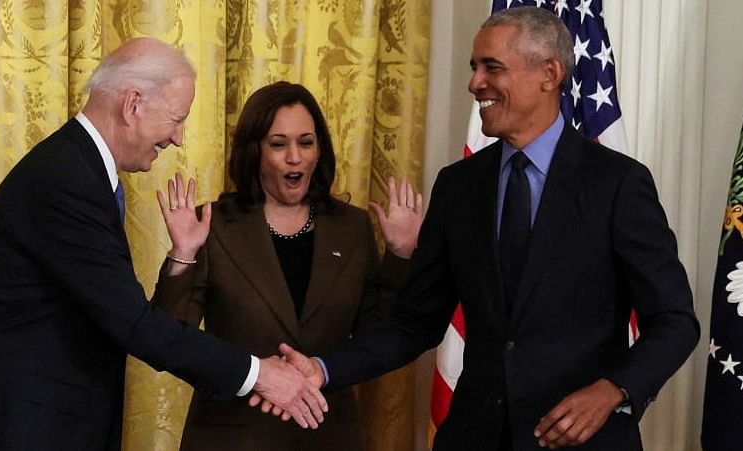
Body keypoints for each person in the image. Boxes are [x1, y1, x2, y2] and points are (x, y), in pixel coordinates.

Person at [272, 7, 700, 451]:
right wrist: (323, 368)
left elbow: (674, 321)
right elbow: (415, 321)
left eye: (491, 67)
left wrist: (614, 390)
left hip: (581, 440)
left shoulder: (617, 183)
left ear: (549, 73)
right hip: (474, 437)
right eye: (474, 67)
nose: (475, 83)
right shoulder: (458, 186)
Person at [0, 38, 326, 451]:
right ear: (133, 104)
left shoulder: (77, 167)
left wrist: (183, 255)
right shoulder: (67, 181)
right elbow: (135, 324)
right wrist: (260, 375)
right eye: (176, 119)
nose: (178, 138)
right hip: (14, 424)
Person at [150, 81, 423, 451]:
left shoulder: (352, 226)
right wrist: (183, 253)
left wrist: (402, 255)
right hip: (233, 437)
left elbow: (378, 337)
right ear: (255, 152)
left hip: (328, 435)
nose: (295, 157)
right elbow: (168, 337)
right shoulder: (213, 224)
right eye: (279, 144)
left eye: (306, 143)